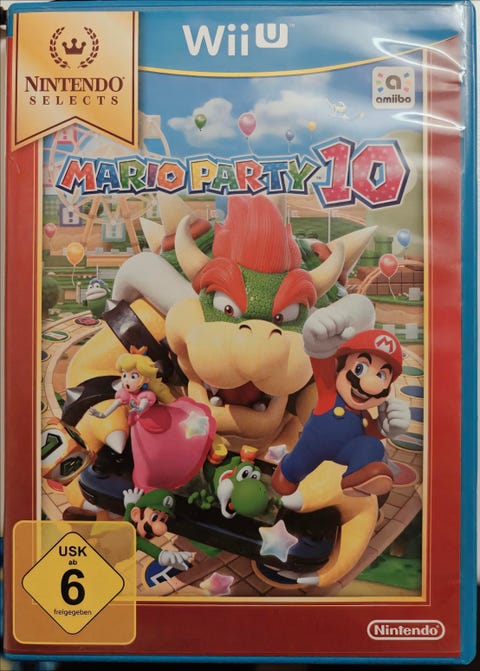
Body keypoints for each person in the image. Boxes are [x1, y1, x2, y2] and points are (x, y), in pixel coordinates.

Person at [272, 299, 410, 497]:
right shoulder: (330, 393)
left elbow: (370, 432)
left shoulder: (364, 414)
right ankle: (288, 472)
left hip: (347, 448)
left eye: (381, 375)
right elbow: (322, 364)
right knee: (293, 470)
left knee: (373, 446)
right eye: (360, 368)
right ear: (342, 366)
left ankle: (357, 478)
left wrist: (385, 428)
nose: (370, 384)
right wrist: (319, 344)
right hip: (312, 445)